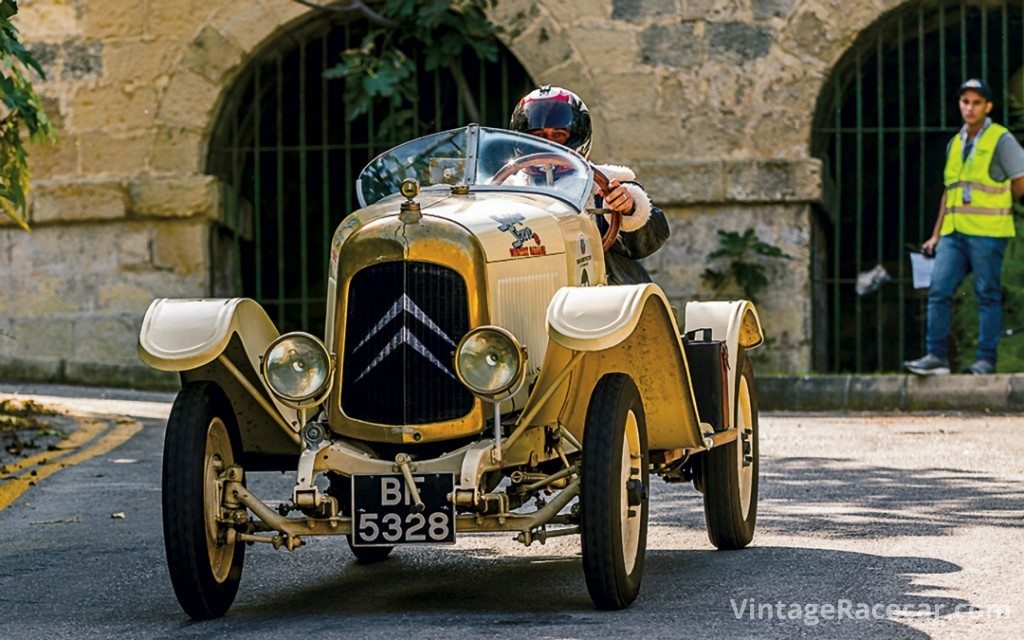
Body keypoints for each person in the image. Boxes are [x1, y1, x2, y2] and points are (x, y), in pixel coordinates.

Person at [904, 79, 1024, 375]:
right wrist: (935, 234)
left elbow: (1021, 177)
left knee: (987, 294)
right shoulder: (955, 143)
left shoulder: (1001, 139)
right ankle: (936, 357)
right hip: (953, 233)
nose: (969, 108)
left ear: (988, 106)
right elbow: (950, 191)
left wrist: (1005, 203)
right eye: (965, 102)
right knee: (939, 291)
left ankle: (985, 360)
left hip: (988, 232)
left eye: (976, 102)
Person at [509, 85, 669, 285]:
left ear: (576, 137)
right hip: (525, 286)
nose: (548, 144)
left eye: (558, 135)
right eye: (538, 136)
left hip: (599, 292)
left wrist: (629, 208)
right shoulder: (504, 189)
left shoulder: (609, 183)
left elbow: (650, 240)